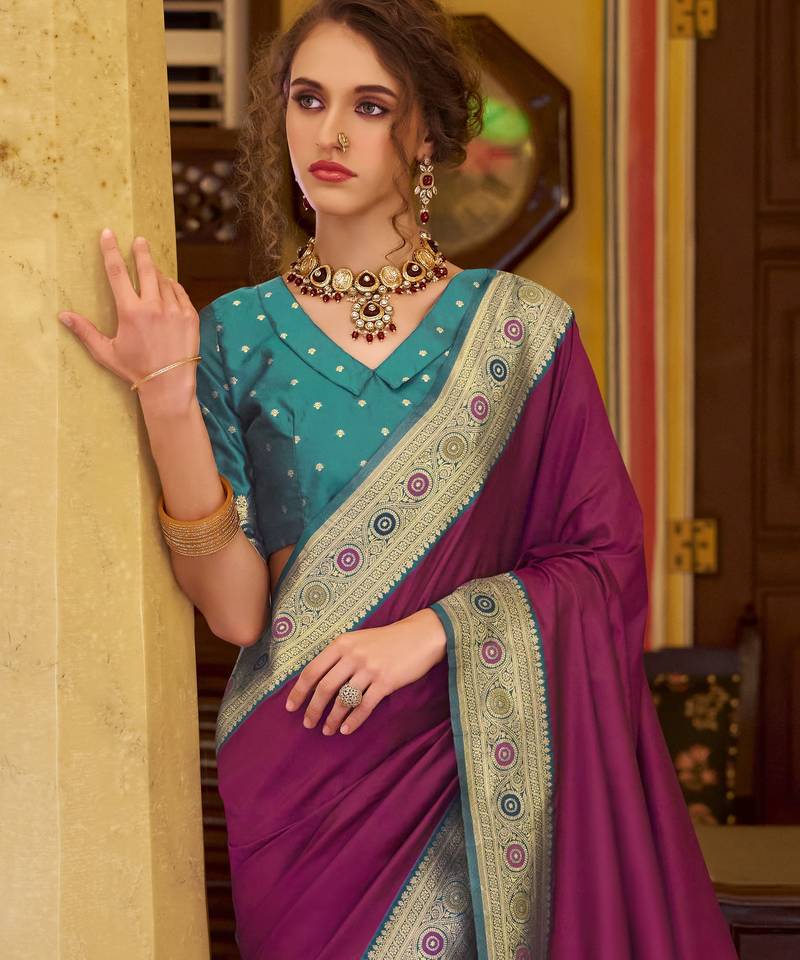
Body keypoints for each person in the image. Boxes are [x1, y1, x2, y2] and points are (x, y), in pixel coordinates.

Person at [57, 1, 739, 957]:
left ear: (423, 135)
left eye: (369, 106)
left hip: (466, 761)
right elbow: (238, 614)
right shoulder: (237, 334)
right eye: (307, 99)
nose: (329, 133)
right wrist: (166, 396)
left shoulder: (520, 331)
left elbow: (603, 563)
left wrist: (434, 632)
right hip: (300, 774)